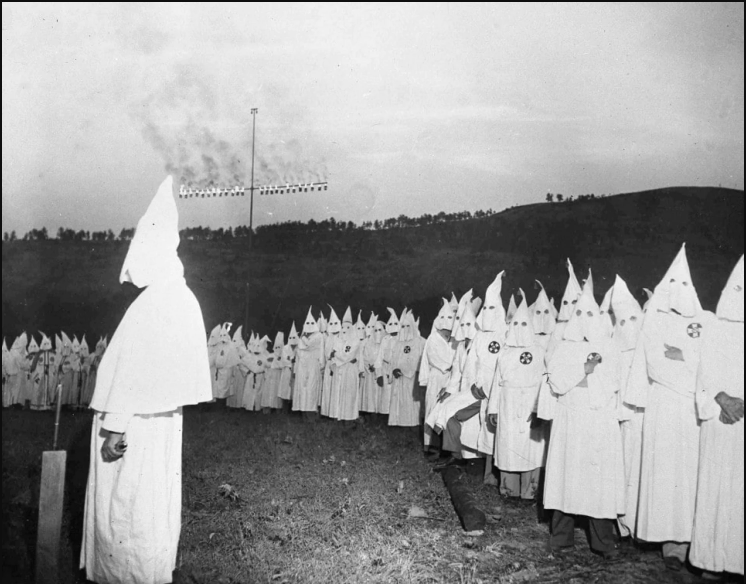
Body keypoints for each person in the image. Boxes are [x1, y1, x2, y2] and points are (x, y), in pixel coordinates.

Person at [80, 175, 212, 584]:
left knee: (127, 510)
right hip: (160, 424)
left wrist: (115, 426)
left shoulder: (155, 303)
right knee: (151, 508)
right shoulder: (182, 297)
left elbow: (132, 371)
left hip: (134, 426)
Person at [624, 244, 715, 570]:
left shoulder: (707, 321)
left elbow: (713, 364)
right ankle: (667, 541)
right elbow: (655, 365)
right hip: (664, 406)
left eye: (685, 286)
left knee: (691, 474)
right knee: (665, 475)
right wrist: (690, 364)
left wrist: (685, 359)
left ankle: (693, 540)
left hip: (695, 411)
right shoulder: (654, 321)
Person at [542, 276, 624, 559]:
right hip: (570, 422)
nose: (585, 319)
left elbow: (613, 381)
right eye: (580, 313)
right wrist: (584, 369)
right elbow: (556, 381)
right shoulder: (564, 346)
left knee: (597, 480)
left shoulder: (610, 347)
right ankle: (561, 538)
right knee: (566, 476)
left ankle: (602, 541)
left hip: (598, 421)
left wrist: (582, 377)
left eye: (591, 313)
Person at [690, 255, 744, 579]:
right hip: (719, 424)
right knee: (715, 488)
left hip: (741, 422)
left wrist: (740, 406)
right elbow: (701, 374)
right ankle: (710, 559)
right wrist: (721, 400)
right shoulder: (713, 329)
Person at [487, 293, 548, 500]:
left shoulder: (539, 351)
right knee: (508, 444)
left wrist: (539, 408)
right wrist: (493, 408)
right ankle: (509, 490)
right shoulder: (504, 352)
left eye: (525, 324)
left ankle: (530, 492)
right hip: (508, 403)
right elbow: (496, 382)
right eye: (517, 324)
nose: (520, 328)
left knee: (531, 447)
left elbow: (544, 382)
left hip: (530, 402)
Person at [610, 275, 645, 540]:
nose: (628, 326)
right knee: (623, 471)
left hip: (646, 421)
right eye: (622, 321)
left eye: (633, 319)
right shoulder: (614, 352)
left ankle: (643, 526)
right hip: (622, 422)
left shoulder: (648, 350)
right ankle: (623, 523)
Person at [419, 299, 457, 454]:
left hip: (452, 379)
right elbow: (439, 361)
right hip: (437, 378)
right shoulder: (433, 339)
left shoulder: (454, 340)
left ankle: (445, 446)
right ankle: (430, 446)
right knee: (433, 409)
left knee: (448, 411)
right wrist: (454, 365)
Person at [387, 309, 424, 428]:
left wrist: (403, 371)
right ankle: (396, 422)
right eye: (402, 326)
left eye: (408, 326)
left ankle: (411, 423)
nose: (405, 329)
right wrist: (394, 369)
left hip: (410, 378)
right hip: (398, 377)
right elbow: (393, 358)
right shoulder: (398, 343)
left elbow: (417, 359)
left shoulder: (417, 342)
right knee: (398, 400)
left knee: (409, 401)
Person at [292, 308, 325, 418]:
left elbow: (308, 345)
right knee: (302, 388)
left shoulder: (318, 336)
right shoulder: (303, 336)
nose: (309, 325)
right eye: (307, 323)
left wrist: (304, 339)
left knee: (311, 388)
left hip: (312, 365)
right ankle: (304, 413)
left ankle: (311, 413)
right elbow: (298, 351)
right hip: (302, 366)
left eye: (311, 323)